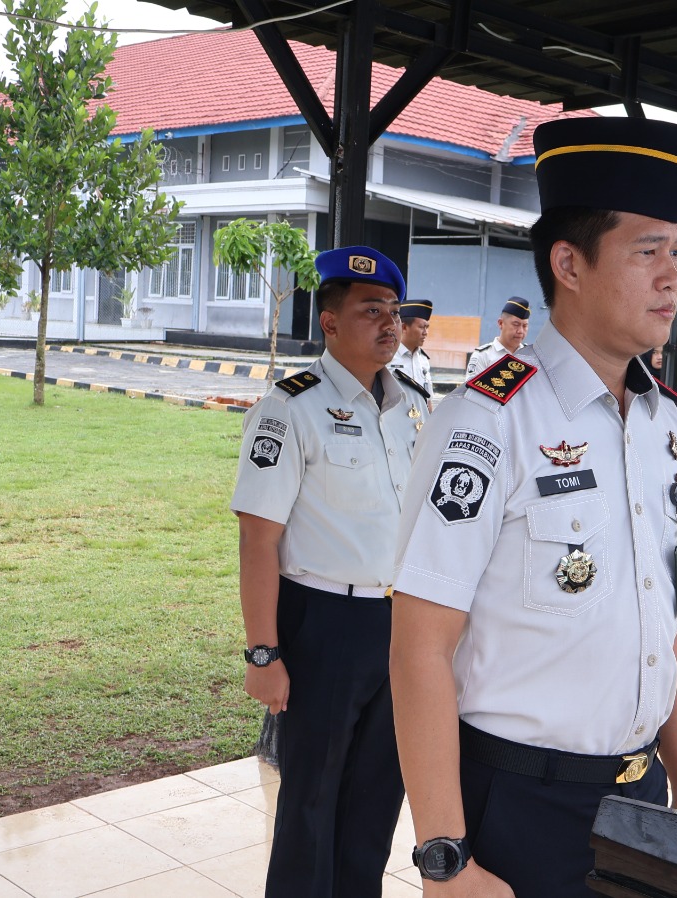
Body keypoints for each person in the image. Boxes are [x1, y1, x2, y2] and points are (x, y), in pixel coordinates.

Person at [389, 116, 677, 898]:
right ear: (569, 263)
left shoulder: (664, 423)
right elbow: (419, 645)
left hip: (641, 798)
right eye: (647, 252)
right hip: (520, 807)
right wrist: (443, 857)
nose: (672, 277)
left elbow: (670, 617)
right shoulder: (488, 419)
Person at [231, 245, 429, 898]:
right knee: (310, 801)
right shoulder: (290, 407)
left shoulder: (412, 405)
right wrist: (263, 653)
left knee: (376, 797)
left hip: (398, 623)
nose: (389, 323)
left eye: (393, 311)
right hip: (323, 624)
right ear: (330, 322)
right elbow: (258, 538)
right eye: (371, 310)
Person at [464, 297, 531, 378]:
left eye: (525, 326)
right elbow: (472, 386)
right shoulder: (483, 356)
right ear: (501, 323)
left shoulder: (531, 356)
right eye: (516, 324)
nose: (520, 331)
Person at [391, 297, 436, 407]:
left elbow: (428, 400)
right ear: (404, 327)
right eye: (422, 327)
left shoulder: (423, 359)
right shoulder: (388, 356)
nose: (425, 332)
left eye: (427, 327)